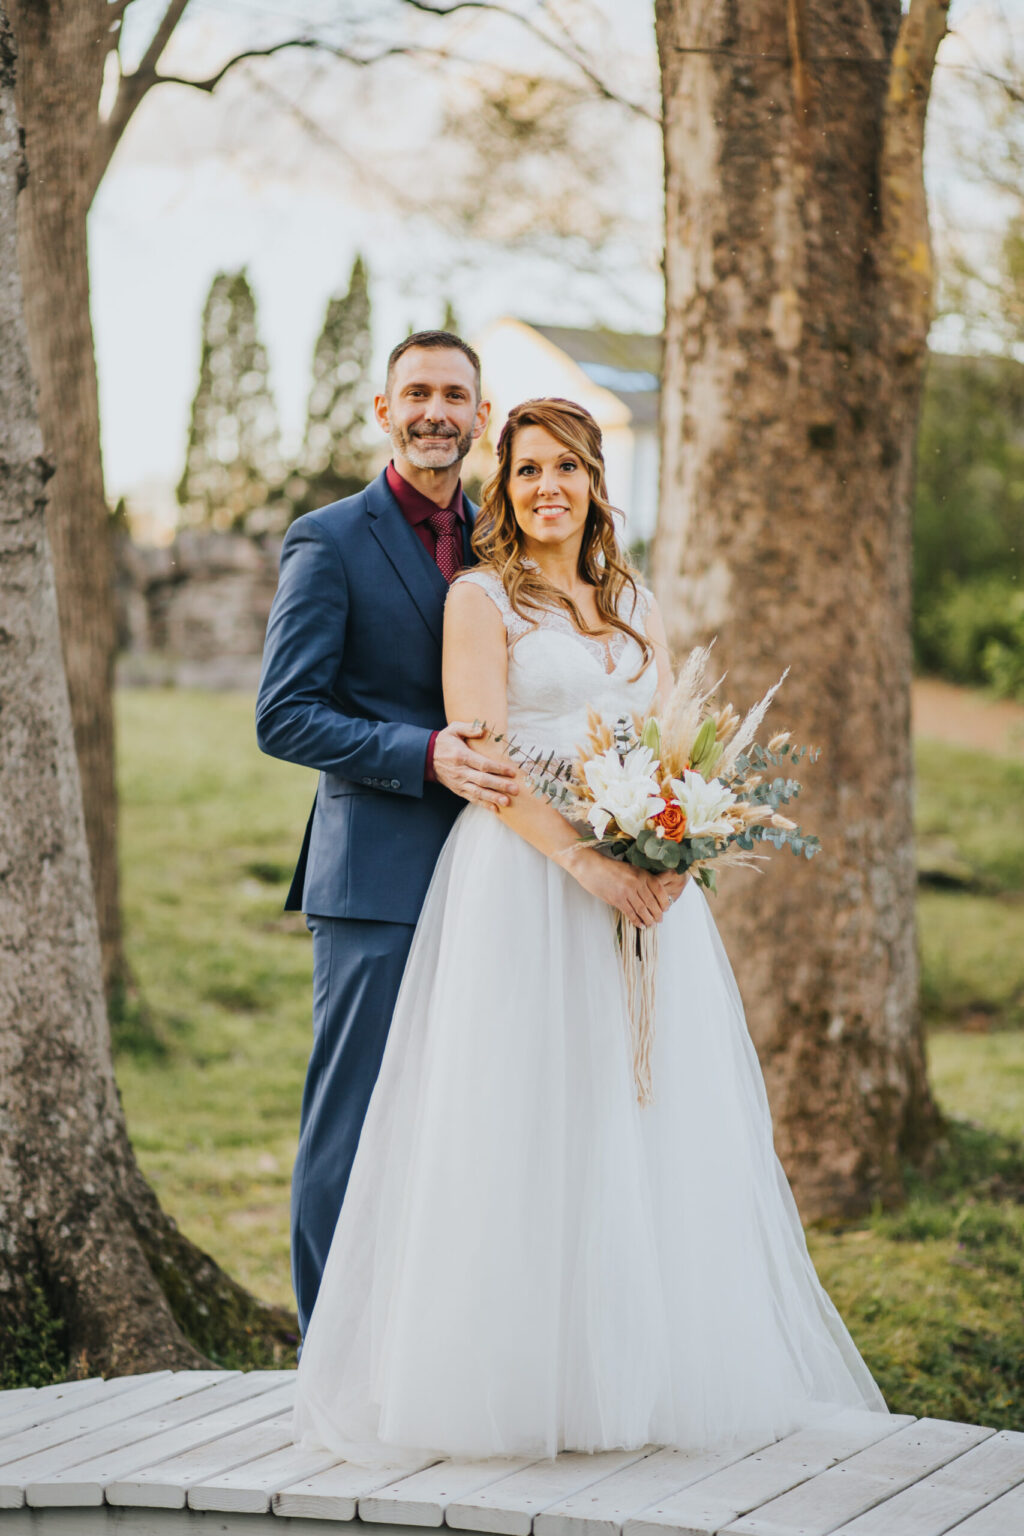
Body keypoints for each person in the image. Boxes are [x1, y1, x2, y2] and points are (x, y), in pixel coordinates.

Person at [292, 396, 888, 1465]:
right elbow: (485, 763)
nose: (546, 488)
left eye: (565, 468)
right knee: (523, 1117)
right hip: (525, 882)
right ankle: (514, 1383)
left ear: (594, 481)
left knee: (636, 1116)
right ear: (506, 489)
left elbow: (675, 745)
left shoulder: (634, 603)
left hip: (647, 895)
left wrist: (676, 846)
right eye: (525, 472)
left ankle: (633, 1376)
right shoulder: (480, 600)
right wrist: (583, 861)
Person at [256, 331, 525, 1340]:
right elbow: (284, 714)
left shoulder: (503, 545)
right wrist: (424, 755)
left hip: (496, 875)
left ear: (480, 415)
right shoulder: (327, 539)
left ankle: (427, 1343)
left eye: (455, 395)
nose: (436, 411)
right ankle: (328, 1348)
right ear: (383, 409)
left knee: (463, 1119)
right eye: (417, 392)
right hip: (373, 881)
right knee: (352, 1124)